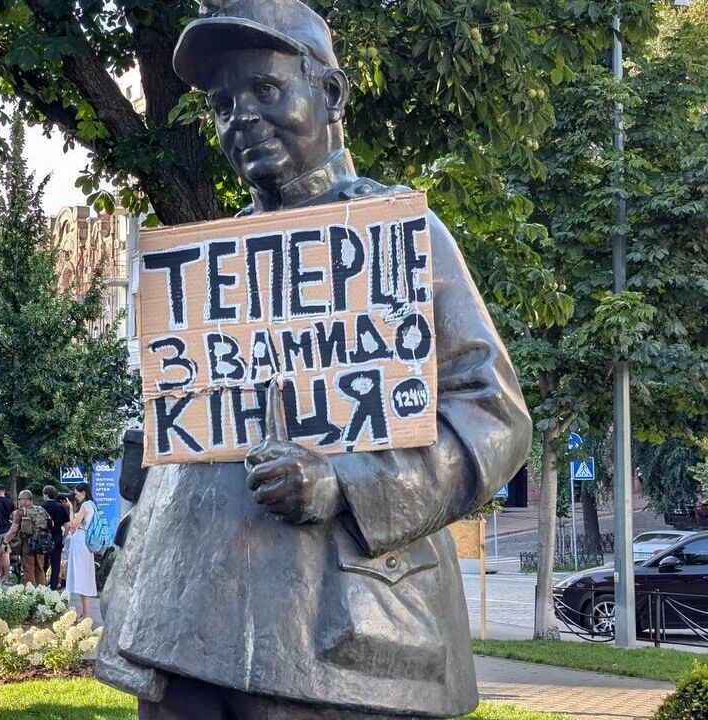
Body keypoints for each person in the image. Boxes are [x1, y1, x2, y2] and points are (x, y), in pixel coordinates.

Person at [96, 2, 533, 718]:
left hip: (329, 638)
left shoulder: (400, 236)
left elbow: (493, 417)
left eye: (265, 89)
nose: (241, 117)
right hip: (183, 632)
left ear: (329, 94)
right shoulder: (207, 265)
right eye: (223, 103)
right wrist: (160, 444)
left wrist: (345, 482)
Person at [64, 483, 98, 617]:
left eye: (77, 493)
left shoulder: (85, 506)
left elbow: (73, 525)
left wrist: (71, 510)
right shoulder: (92, 505)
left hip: (80, 541)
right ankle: (85, 613)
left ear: (83, 493)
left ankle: (86, 613)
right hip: (86, 541)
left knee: (82, 577)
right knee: (85, 576)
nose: (75, 496)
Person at [3, 490, 50, 587]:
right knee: (40, 568)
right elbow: (51, 523)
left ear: (25, 500)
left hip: (27, 544)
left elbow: (13, 530)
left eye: (19, 499)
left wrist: (5, 542)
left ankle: (31, 591)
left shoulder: (21, 512)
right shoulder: (41, 509)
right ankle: (42, 591)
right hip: (41, 543)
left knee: (28, 568)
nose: (18, 501)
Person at [41, 485, 71, 590]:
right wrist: (64, 537)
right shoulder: (61, 507)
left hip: (43, 538)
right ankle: (53, 587)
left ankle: (42, 585)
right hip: (57, 536)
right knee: (56, 563)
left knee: (43, 563)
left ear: (46, 495)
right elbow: (67, 525)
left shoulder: (41, 507)